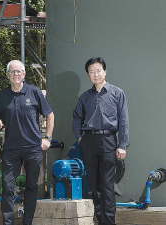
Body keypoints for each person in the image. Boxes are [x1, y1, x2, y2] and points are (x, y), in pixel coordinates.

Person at [0, 60, 54, 225]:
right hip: (11, 150)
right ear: (7, 75)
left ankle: (27, 222)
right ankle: (8, 222)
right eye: (12, 71)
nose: (16, 74)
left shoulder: (34, 92)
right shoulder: (1, 97)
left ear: (24, 74)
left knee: (31, 186)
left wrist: (47, 138)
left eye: (19, 71)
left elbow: (49, 115)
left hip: (33, 148)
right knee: (7, 188)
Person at [72, 57, 129, 225]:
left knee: (107, 185)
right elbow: (76, 118)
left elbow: (124, 120)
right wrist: (80, 138)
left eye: (98, 70)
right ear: (88, 75)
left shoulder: (117, 93)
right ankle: (100, 219)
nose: (95, 74)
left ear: (105, 71)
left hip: (108, 141)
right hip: (88, 141)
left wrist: (122, 145)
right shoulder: (85, 97)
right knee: (94, 185)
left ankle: (109, 222)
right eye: (91, 71)